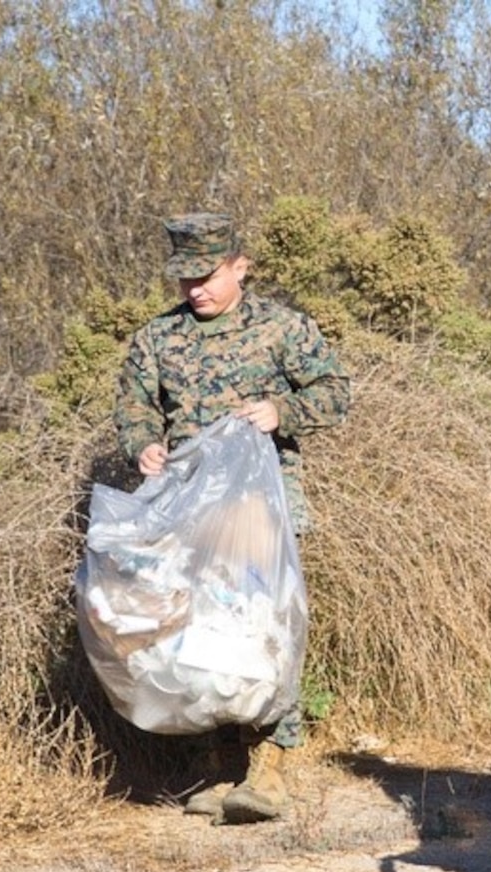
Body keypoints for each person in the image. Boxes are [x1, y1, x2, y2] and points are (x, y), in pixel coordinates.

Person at [114, 213, 351, 824]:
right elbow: (136, 407)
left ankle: (268, 768)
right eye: (185, 279)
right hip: (187, 509)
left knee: (263, 630)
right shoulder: (157, 339)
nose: (196, 289)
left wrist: (282, 410)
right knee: (200, 637)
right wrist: (143, 444)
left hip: (262, 507)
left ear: (240, 266)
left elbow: (335, 392)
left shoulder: (280, 328)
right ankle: (221, 768)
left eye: (207, 275)